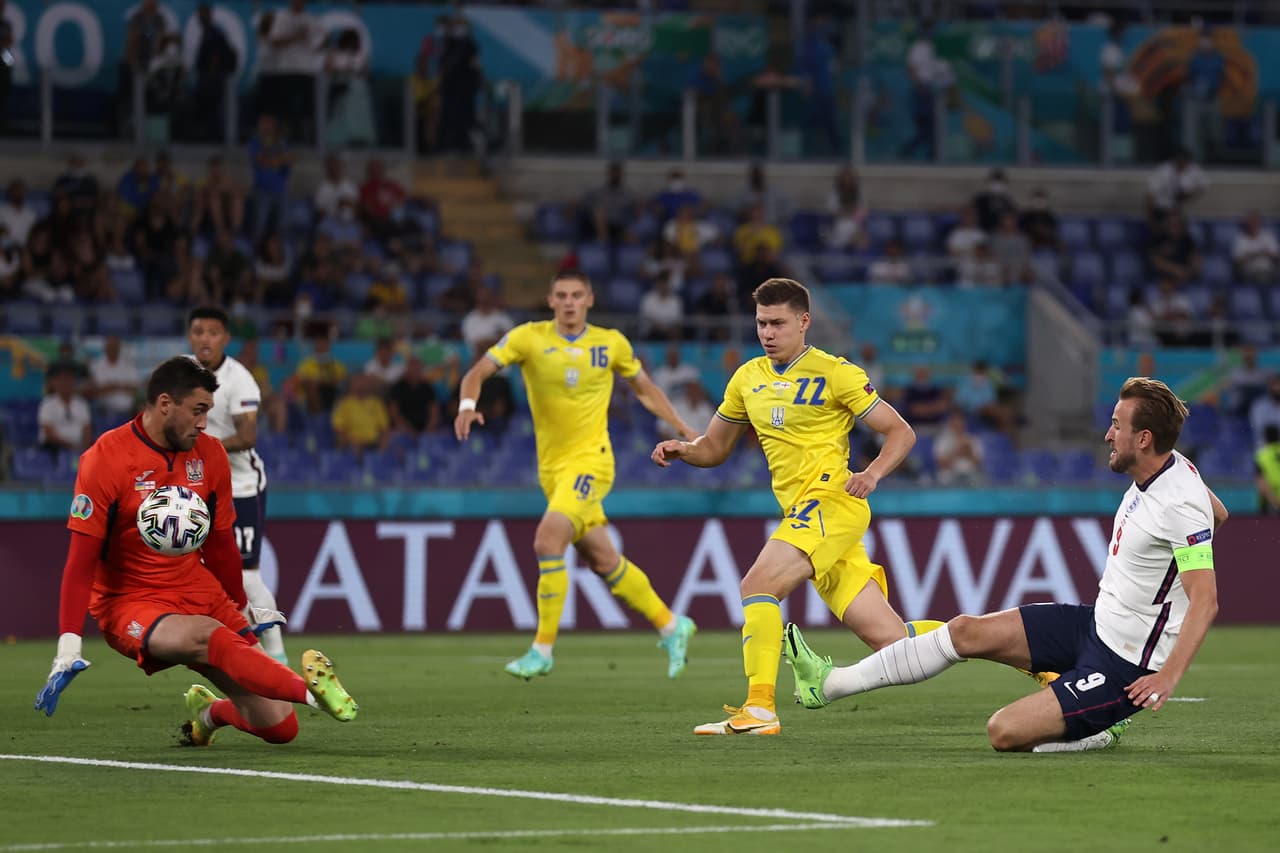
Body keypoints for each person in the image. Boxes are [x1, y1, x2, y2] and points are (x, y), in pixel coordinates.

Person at [785, 377, 1228, 752]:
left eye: (1117, 425)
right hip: (1095, 625)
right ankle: (828, 684)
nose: (1108, 435)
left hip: (1125, 666)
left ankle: (1099, 729)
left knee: (1004, 732)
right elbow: (1218, 515)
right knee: (964, 630)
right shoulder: (1178, 474)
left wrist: (1168, 674)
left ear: (1144, 438)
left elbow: (1204, 600)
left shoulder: (1178, 503)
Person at [649, 277, 941, 736]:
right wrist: (686, 449)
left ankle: (760, 708)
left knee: (758, 583)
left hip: (832, 500)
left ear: (803, 322)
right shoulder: (747, 378)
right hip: (802, 512)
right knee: (890, 640)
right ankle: (1027, 656)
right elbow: (715, 448)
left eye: (778, 323)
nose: (768, 332)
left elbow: (901, 430)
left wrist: (872, 473)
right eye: (762, 323)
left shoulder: (835, 372)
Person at [34, 356, 357, 745]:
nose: (204, 423)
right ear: (165, 404)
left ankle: (209, 713)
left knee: (279, 726)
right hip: (131, 602)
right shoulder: (106, 458)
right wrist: (68, 647)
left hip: (197, 589)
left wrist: (238, 604)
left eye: (208, 412)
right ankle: (314, 694)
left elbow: (221, 545)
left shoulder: (211, 454)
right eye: (198, 411)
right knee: (209, 634)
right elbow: (80, 561)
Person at [454, 271, 700, 680]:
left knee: (547, 539)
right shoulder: (527, 338)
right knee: (604, 560)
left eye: (577, 295)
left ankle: (542, 650)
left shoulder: (611, 343)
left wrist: (684, 428)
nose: (569, 302)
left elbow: (645, 389)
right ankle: (673, 626)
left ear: (589, 299)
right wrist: (466, 404)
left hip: (592, 462)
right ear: (550, 300)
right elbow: (477, 371)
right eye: (562, 296)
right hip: (552, 470)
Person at [187, 306, 287, 665]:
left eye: (213, 332)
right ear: (190, 336)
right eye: (198, 331)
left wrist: (199, 448)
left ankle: (278, 661)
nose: (205, 339)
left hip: (240, 485)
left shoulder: (240, 378)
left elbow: (247, 436)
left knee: (246, 577)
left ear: (225, 339)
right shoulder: (179, 374)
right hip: (195, 488)